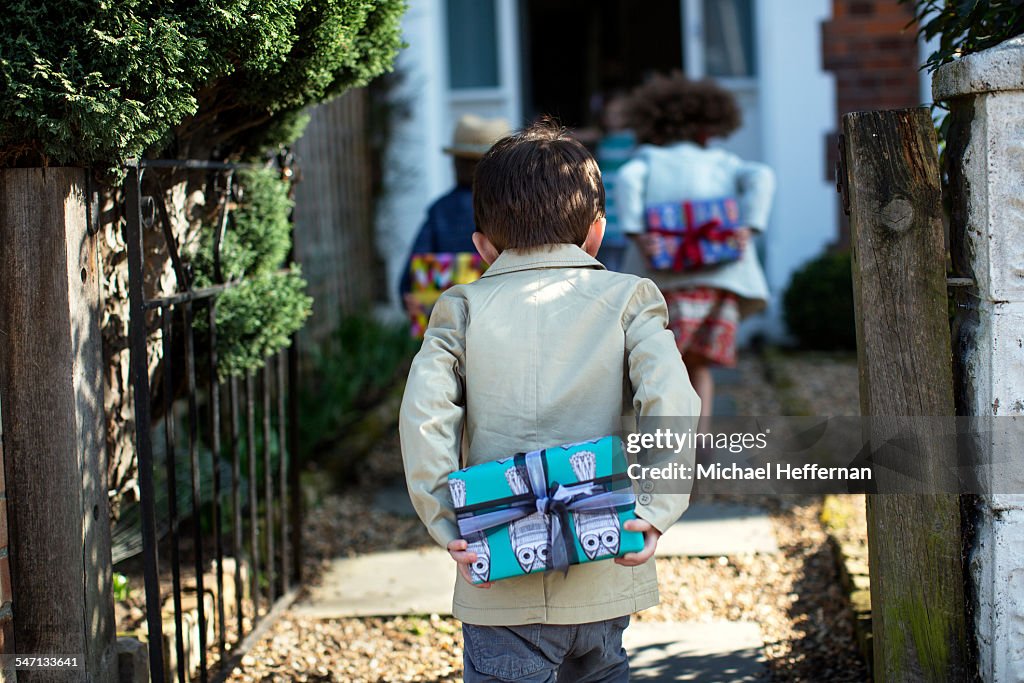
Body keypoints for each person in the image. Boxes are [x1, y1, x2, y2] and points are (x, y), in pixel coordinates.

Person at [399, 120, 700, 682]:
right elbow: (672, 402)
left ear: (482, 247)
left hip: (495, 567)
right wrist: (657, 510)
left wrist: (448, 524)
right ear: (596, 233)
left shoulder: (459, 309)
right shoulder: (629, 299)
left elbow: (425, 420)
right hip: (604, 561)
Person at [615, 73, 775, 430]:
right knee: (699, 365)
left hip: (665, 279)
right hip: (717, 279)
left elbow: (626, 181)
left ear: (654, 126)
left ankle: (666, 439)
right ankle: (700, 440)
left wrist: (639, 234)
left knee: (660, 364)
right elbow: (762, 176)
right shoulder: (722, 161)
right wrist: (747, 226)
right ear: (708, 126)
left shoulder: (649, 158)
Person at [398, 114, 511, 316]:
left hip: (451, 333)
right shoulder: (518, 210)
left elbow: (407, 286)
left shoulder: (440, 210)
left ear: (455, 164)